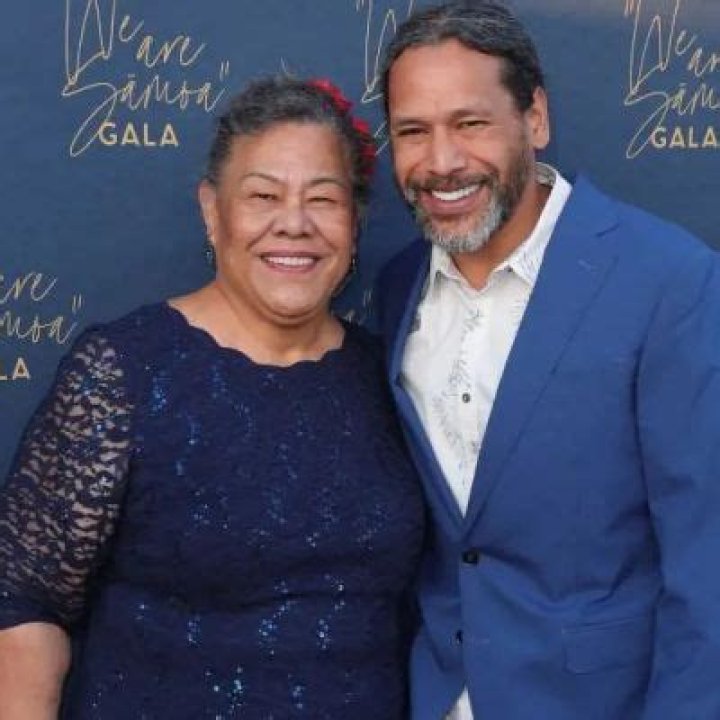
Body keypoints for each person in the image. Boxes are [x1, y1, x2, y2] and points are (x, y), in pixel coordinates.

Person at [0, 76, 425, 719]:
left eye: (323, 199)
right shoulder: (123, 372)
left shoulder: (389, 376)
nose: (294, 224)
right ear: (212, 210)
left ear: (355, 220)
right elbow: (25, 602)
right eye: (262, 196)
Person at [375, 2, 720, 719]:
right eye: (413, 131)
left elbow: (708, 563)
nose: (441, 161)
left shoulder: (668, 282)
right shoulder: (398, 286)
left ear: (534, 118)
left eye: (470, 123)